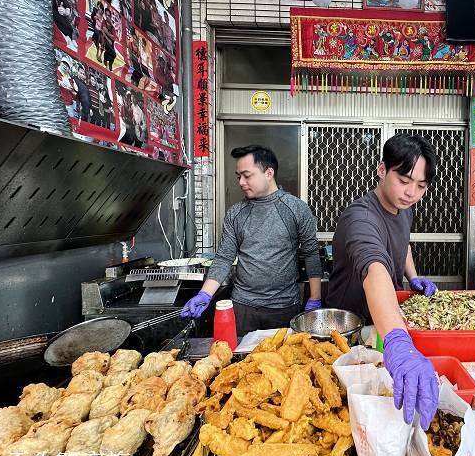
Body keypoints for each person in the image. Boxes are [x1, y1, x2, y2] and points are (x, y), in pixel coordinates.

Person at [326, 134, 440, 429]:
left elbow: (404, 245)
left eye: (421, 186)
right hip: (351, 334)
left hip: (382, 326)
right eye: (404, 180)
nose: (411, 192)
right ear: (381, 170)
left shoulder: (404, 210)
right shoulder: (360, 217)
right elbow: (375, 268)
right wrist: (399, 342)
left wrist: (413, 277)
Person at [181, 146, 324, 335]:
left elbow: (311, 253)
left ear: (269, 173)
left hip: (284, 307)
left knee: (281, 362)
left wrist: (315, 298)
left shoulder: (296, 209)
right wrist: (205, 294)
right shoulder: (236, 213)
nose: (241, 182)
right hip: (243, 307)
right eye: (238, 176)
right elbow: (224, 258)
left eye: (247, 175)